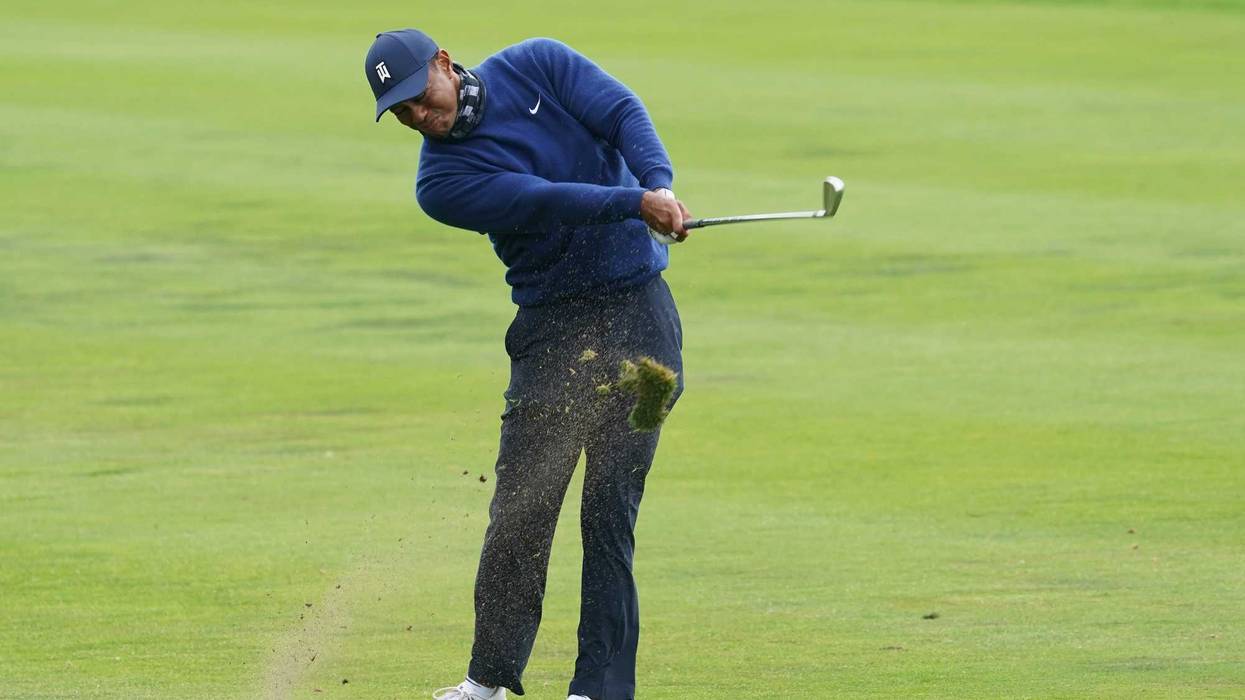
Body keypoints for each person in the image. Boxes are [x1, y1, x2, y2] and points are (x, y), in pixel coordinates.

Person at [364, 29, 691, 700]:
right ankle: (487, 680)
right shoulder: (442, 184)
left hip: (640, 319)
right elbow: (540, 197)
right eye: (402, 113)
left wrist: (656, 183)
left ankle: (597, 688)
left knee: (608, 507)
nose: (420, 117)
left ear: (444, 64)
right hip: (552, 330)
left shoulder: (538, 63)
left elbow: (621, 111)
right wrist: (636, 203)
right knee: (521, 506)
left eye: (421, 98)